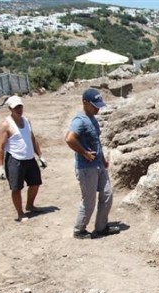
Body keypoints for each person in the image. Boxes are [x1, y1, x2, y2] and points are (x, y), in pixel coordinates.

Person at [65, 88, 120, 239]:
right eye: (95, 105)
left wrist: (102, 159)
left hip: (98, 165)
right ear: (85, 103)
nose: (98, 108)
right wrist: (84, 153)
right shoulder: (79, 120)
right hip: (86, 167)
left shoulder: (93, 119)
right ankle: (79, 230)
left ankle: (101, 227)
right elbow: (69, 139)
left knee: (107, 194)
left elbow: (96, 142)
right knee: (89, 201)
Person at [0, 95, 47, 222]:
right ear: (10, 109)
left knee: (35, 184)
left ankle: (30, 205)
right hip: (15, 160)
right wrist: (0, 166)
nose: (19, 109)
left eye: (20, 106)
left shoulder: (27, 120)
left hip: (29, 158)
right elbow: (0, 147)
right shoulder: (6, 124)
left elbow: (32, 138)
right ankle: (20, 213)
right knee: (16, 188)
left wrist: (40, 155)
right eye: (15, 108)